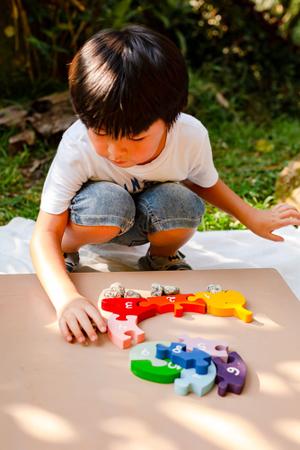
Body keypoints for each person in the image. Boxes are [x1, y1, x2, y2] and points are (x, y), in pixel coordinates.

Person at [30, 24, 300, 345]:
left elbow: (205, 183)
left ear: (171, 116)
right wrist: (66, 299)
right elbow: (44, 232)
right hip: (95, 220)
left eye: (136, 137)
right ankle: (69, 252)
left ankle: (161, 258)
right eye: (101, 134)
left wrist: (251, 216)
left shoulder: (190, 136)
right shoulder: (77, 146)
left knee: (182, 202)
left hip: (149, 217)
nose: (117, 152)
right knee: (109, 201)